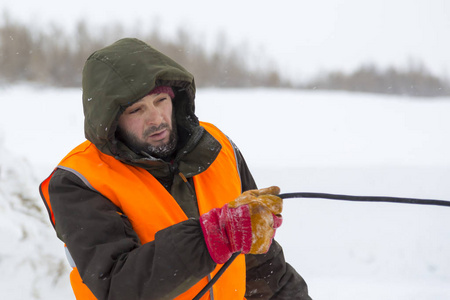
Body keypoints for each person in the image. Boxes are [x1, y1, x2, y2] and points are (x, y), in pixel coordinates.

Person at [40, 38, 311, 300]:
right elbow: (116, 285)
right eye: (136, 110)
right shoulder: (80, 180)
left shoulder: (217, 148)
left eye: (161, 100)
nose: (156, 119)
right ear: (111, 121)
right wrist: (213, 237)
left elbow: (257, 264)